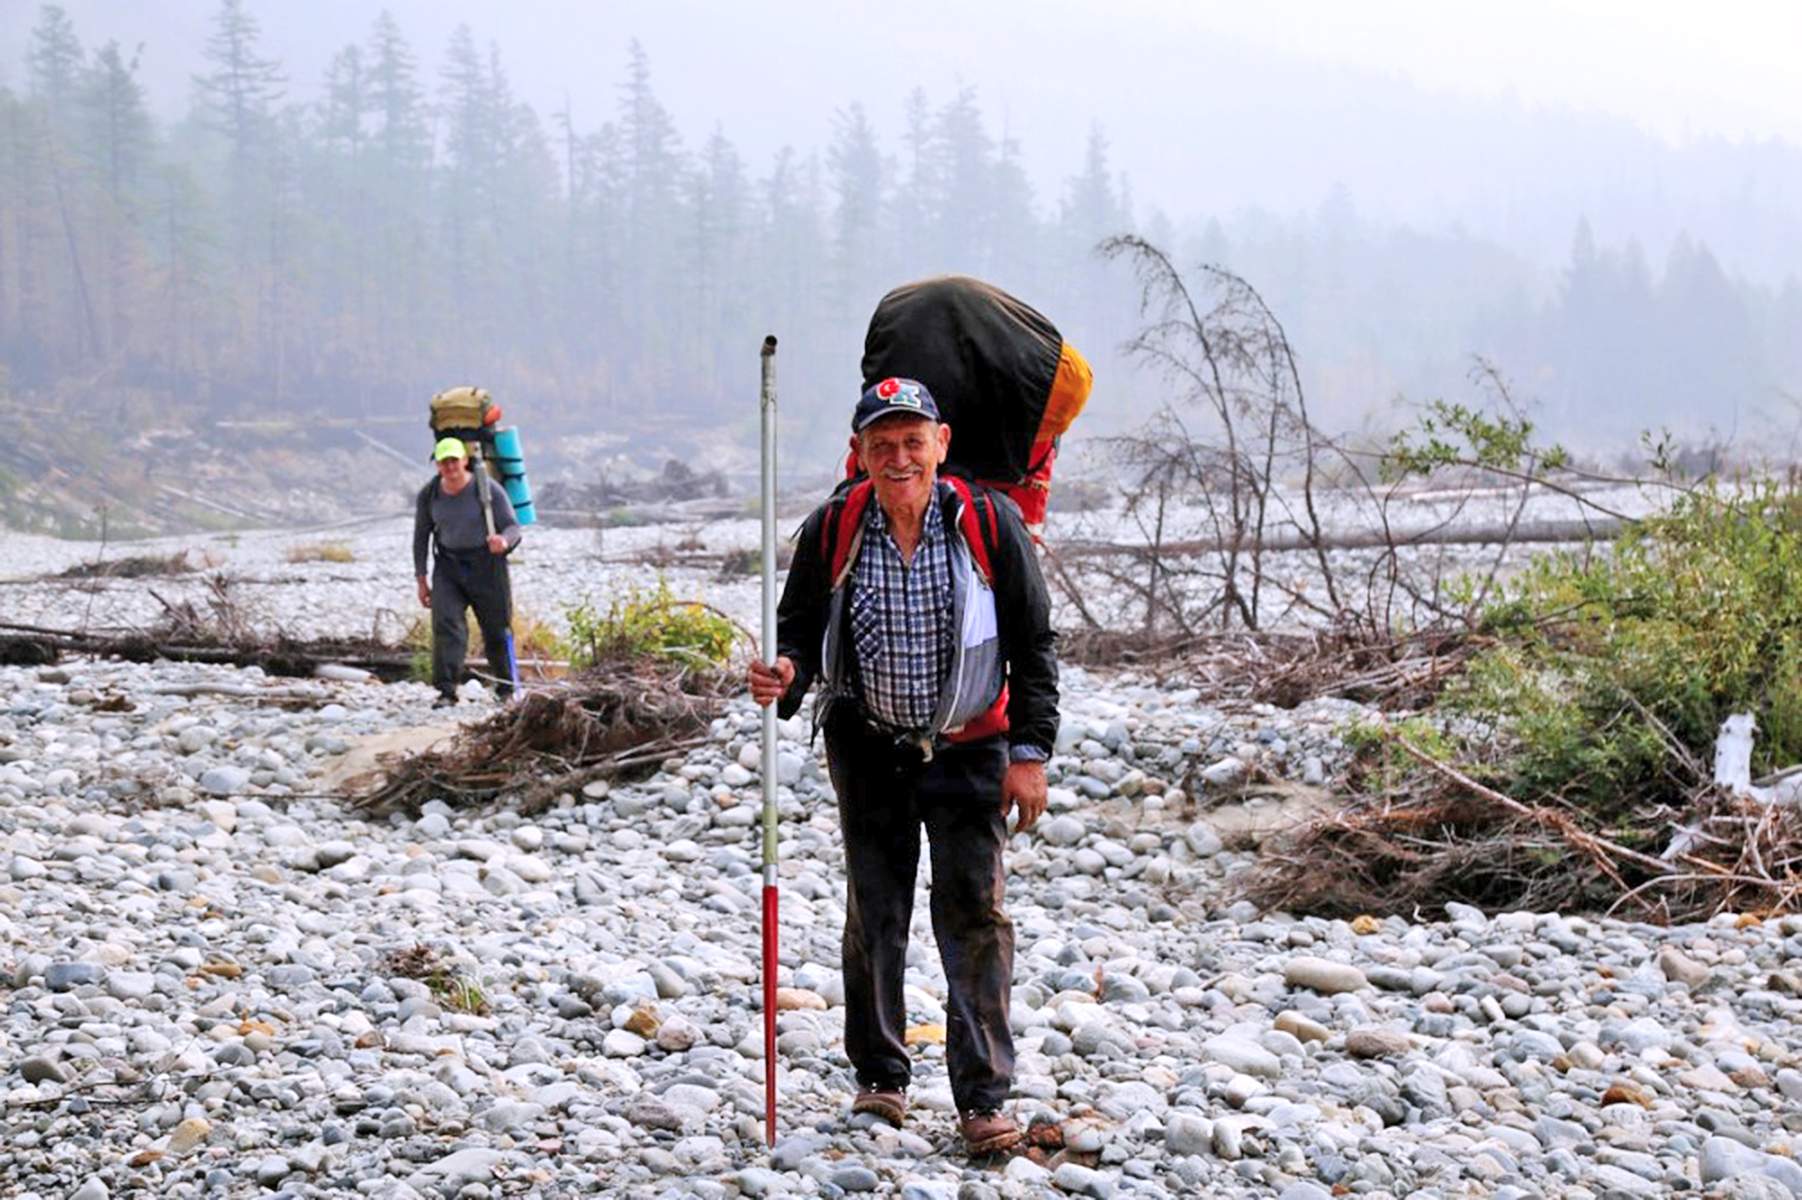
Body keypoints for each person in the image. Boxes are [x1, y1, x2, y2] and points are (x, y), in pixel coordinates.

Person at [747, 377, 1058, 1155]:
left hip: (971, 745)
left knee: (974, 918)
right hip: (868, 746)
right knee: (875, 912)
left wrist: (1029, 754)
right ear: (859, 454)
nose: (898, 457)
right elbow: (798, 629)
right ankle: (881, 1079)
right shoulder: (836, 526)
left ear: (941, 445)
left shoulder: (988, 523)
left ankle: (983, 1100)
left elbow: (1034, 643)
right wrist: (785, 674)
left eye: (912, 442)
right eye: (881, 445)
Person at [413, 436, 522, 707]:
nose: (449, 467)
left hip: (487, 565)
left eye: (454, 460)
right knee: (447, 625)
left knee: (497, 628)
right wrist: (421, 579)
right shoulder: (429, 495)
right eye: (443, 462)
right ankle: (447, 691)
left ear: (464, 460)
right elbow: (420, 537)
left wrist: (503, 542)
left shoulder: (488, 489)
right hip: (448, 566)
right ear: (437, 464)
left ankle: (507, 688)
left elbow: (512, 527)